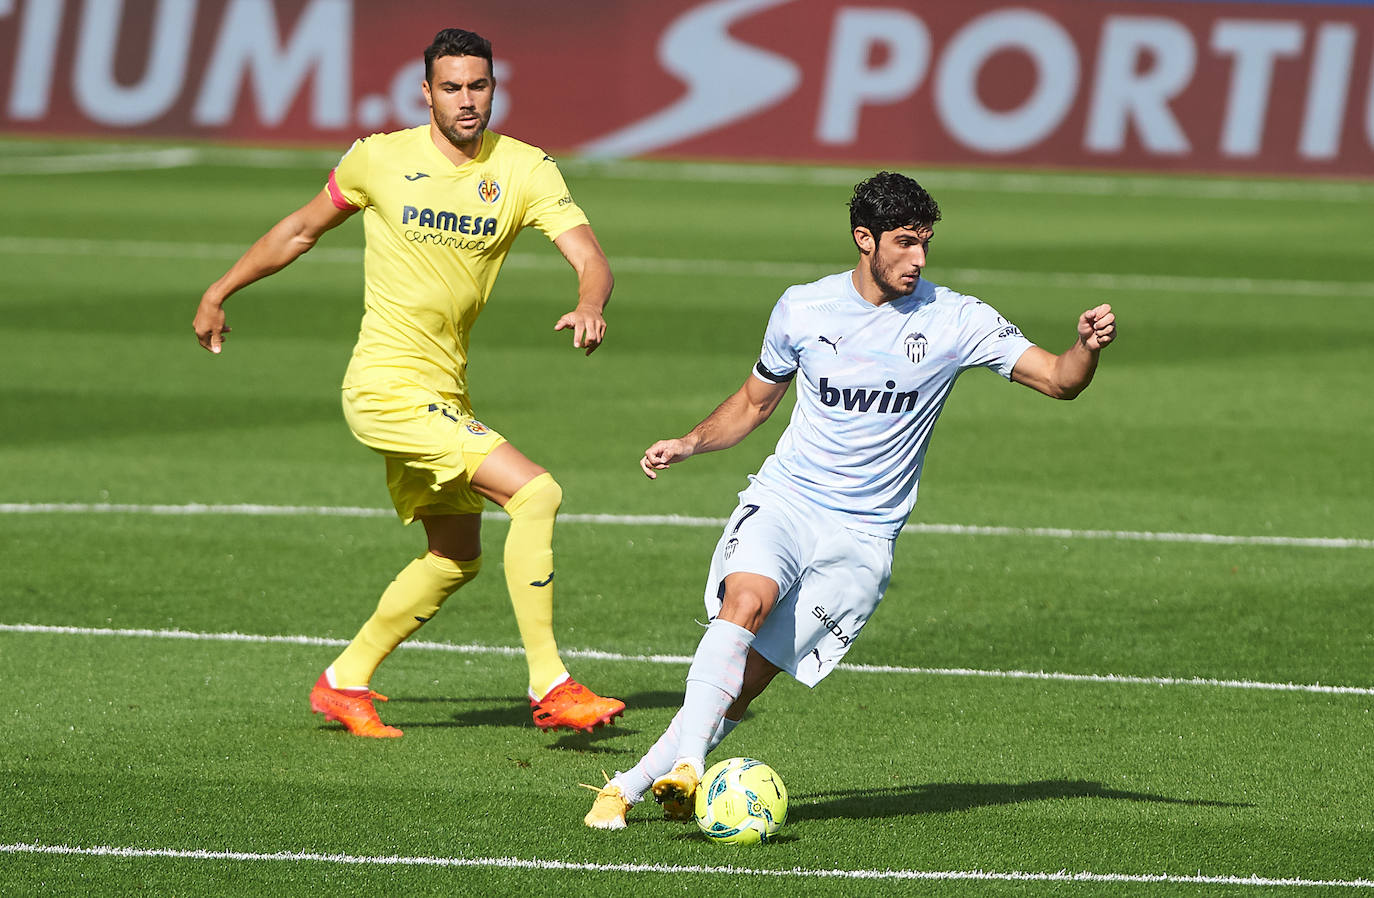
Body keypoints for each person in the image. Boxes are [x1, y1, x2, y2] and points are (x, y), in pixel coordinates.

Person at [582, 171, 1116, 828]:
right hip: (788, 499)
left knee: (745, 684)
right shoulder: (803, 309)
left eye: (925, 243)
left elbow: (1060, 381)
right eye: (903, 243)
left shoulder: (956, 320)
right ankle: (690, 766)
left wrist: (1085, 348)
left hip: (863, 539)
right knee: (743, 601)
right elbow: (754, 403)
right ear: (864, 239)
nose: (918, 258)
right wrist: (692, 442)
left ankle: (633, 785)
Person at [193, 27, 625, 738]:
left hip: (444, 391)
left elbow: (589, 255)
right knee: (537, 492)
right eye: (451, 87)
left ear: (494, 88)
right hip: (385, 387)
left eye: (478, 86)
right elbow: (300, 229)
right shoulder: (378, 158)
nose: (466, 100)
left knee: (455, 554)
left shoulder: (524, 169)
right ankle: (551, 683)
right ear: (425, 92)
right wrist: (221, 288)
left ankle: (344, 682)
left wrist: (589, 302)